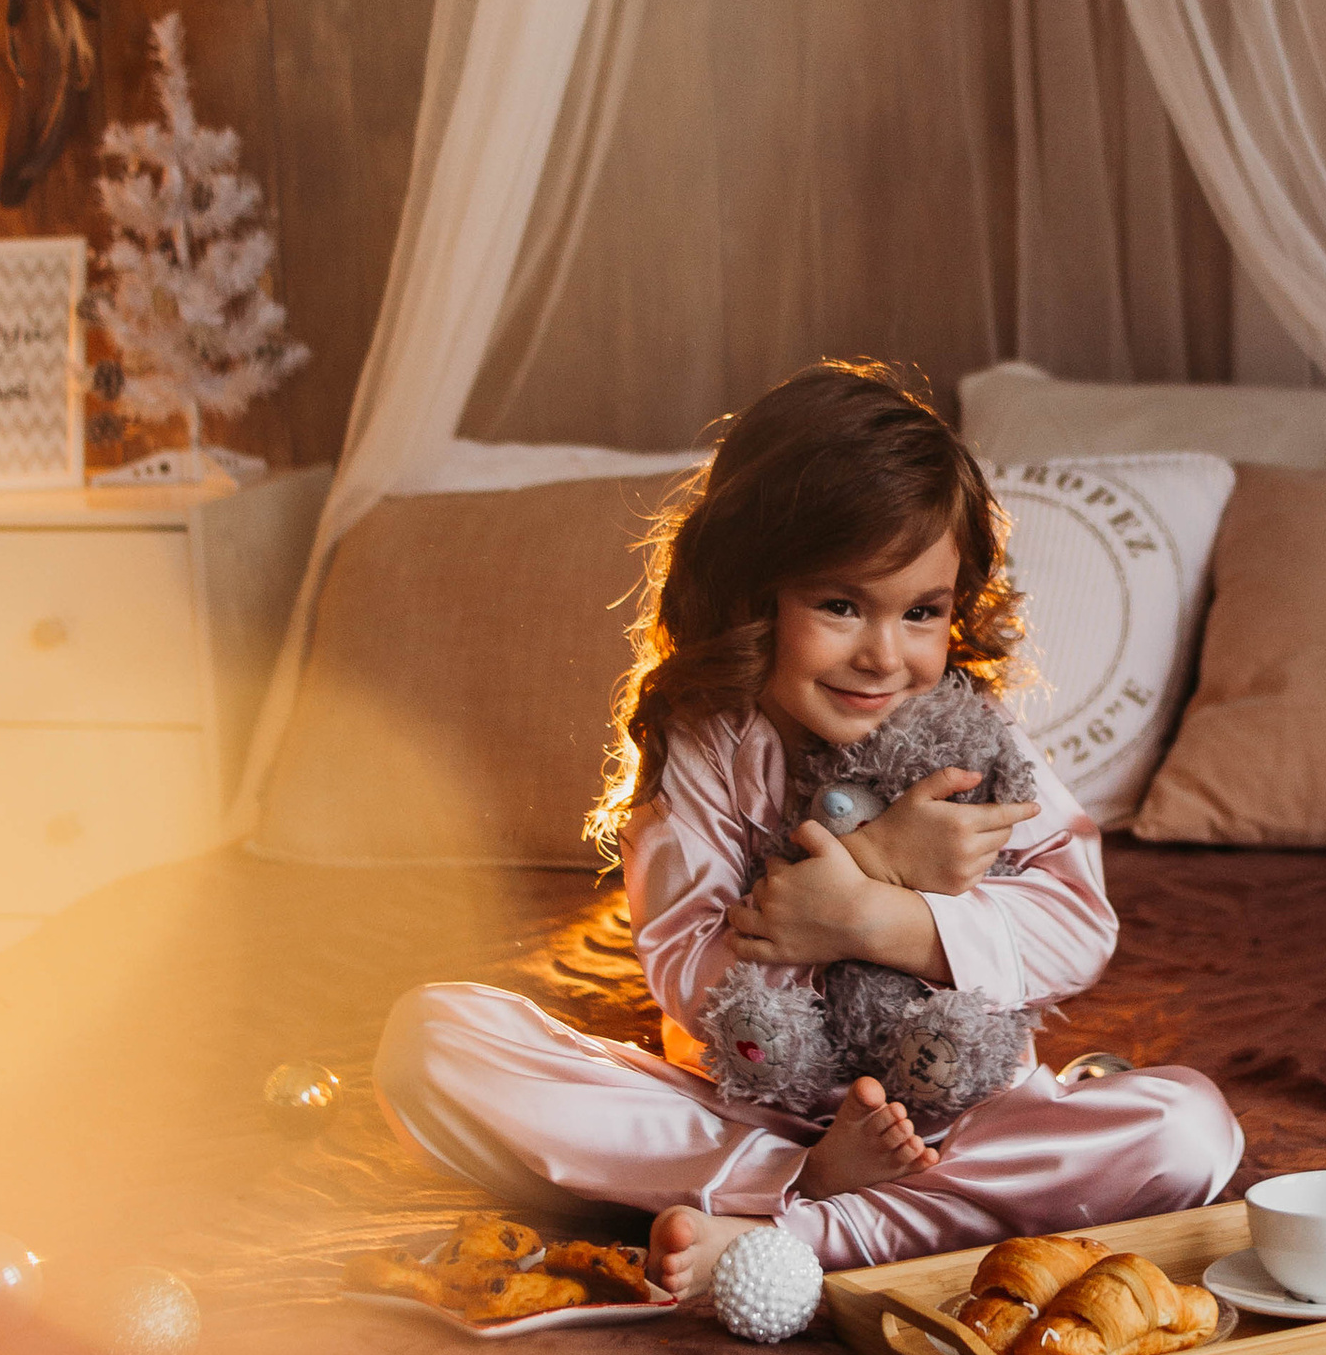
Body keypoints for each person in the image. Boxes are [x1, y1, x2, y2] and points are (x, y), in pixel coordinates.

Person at [374, 361, 1243, 1300]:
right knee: (429, 1044)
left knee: (1190, 1131)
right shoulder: (703, 748)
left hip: (968, 1115)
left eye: (921, 613)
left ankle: (808, 1235)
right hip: (743, 1119)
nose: (883, 654)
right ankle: (804, 1189)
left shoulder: (973, 739)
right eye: (840, 605)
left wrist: (879, 921)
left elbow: (1078, 923)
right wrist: (868, 863)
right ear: (754, 596)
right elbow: (691, 978)